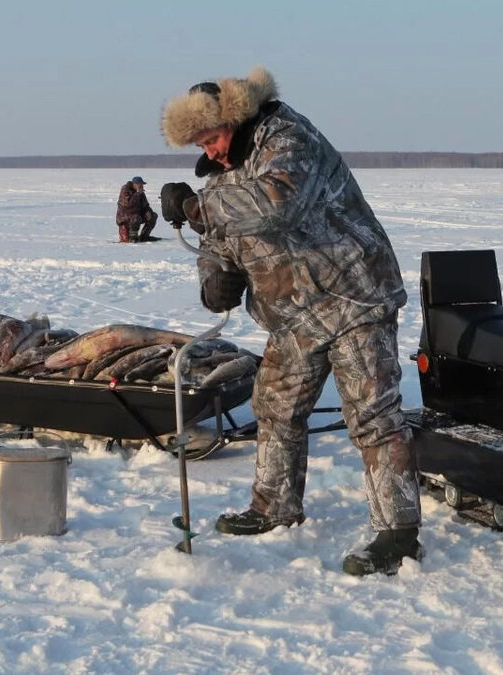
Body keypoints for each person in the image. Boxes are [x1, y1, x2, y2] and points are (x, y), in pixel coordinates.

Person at [160, 67, 422, 575]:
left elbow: (277, 202)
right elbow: (222, 241)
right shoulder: (222, 174)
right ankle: (274, 505)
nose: (209, 151)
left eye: (211, 137)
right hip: (294, 312)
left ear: (233, 120)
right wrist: (214, 277)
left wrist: (198, 207)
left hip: (354, 297)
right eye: (199, 143)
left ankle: (398, 534)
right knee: (275, 407)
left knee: (373, 415)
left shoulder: (286, 136)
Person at [115, 176, 158, 242]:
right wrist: (137, 194)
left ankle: (144, 236)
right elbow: (128, 205)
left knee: (153, 216)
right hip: (124, 216)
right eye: (139, 184)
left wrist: (149, 212)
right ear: (134, 184)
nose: (141, 186)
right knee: (136, 217)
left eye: (141, 184)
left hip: (136, 214)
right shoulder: (125, 190)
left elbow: (145, 205)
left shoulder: (140, 192)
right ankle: (133, 237)